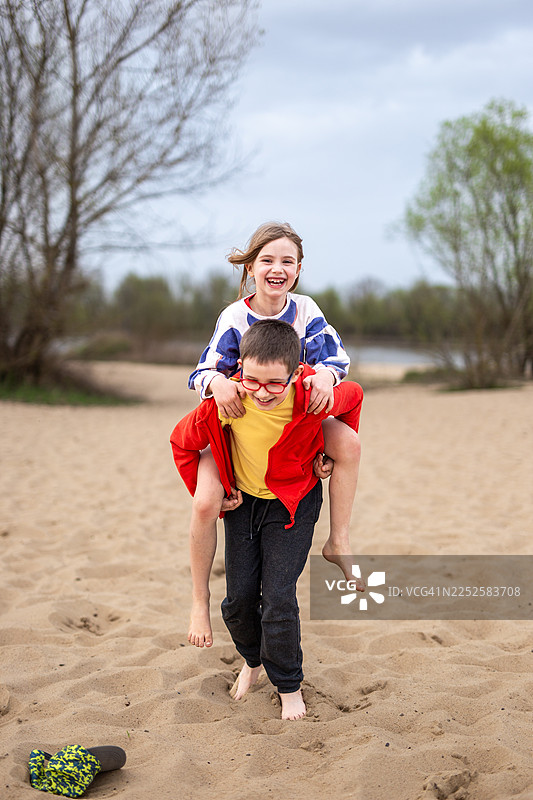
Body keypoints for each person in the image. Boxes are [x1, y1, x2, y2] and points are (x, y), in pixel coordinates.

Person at [170, 320, 364, 720]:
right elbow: (182, 441)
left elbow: (353, 397)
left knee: (278, 598)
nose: (262, 392)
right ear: (239, 368)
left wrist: (326, 449)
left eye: (275, 384)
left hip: (293, 505)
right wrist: (211, 491)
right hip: (242, 506)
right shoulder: (227, 403)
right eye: (253, 380)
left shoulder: (311, 396)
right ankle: (253, 660)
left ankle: (289, 685)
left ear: (295, 374)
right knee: (238, 601)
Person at [186, 221, 361, 648]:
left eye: (287, 261)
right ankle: (198, 599)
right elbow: (200, 373)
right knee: (207, 501)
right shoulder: (234, 317)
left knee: (349, 444)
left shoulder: (306, 310)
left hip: (294, 423)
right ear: (251, 268)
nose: (277, 268)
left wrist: (323, 377)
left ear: (298, 270)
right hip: (241, 425)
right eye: (267, 260)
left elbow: (338, 360)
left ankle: (339, 540)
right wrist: (219, 384)